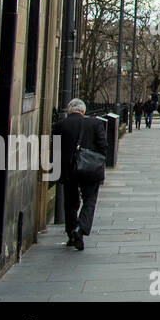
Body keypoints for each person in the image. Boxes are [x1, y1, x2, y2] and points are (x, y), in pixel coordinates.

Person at [52, 99, 108, 250]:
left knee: (70, 203)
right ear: (83, 111)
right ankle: (80, 228)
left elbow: (55, 151)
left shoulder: (60, 125)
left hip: (69, 170)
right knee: (89, 200)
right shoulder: (95, 124)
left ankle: (72, 234)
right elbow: (103, 146)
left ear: (69, 110)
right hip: (90, 169)